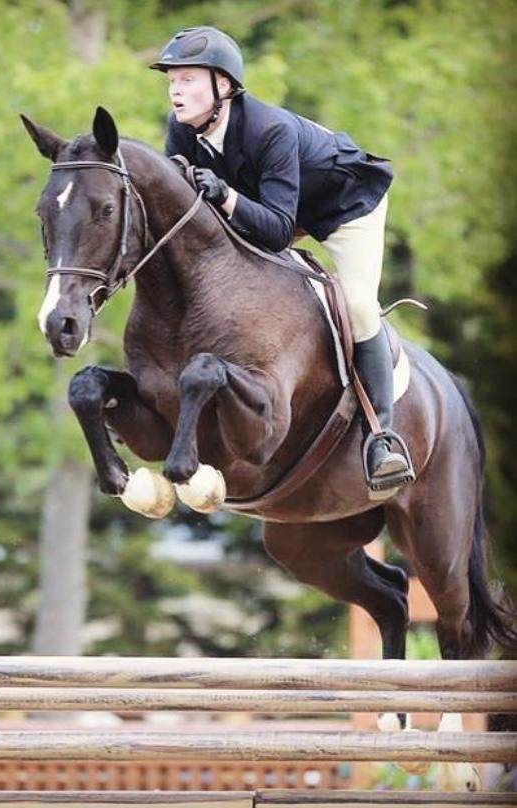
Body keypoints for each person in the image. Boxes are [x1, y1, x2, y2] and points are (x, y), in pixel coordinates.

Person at [149, 26, 415, 496]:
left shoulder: (268, 130)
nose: (175, 89)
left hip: (345, 205)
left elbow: (273, 231)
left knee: (355, 304)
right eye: (172, 79)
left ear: (224, 87)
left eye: (188, 78)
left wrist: (226, 195)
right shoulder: (181, 130)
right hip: (275, 204)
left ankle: (382, 438)